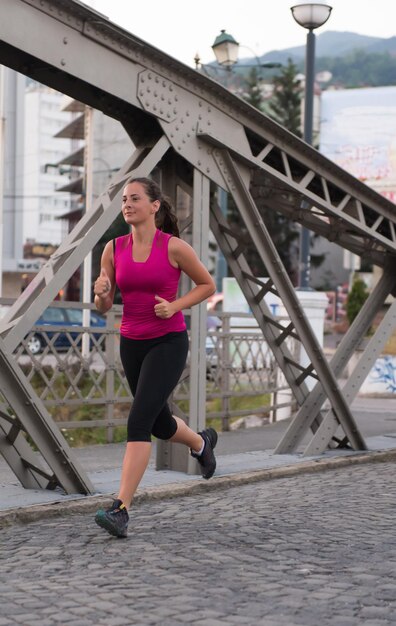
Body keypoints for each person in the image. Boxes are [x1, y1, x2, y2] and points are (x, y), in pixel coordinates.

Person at [93, 177, 217, 538]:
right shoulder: (112, 248)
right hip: (132, 344)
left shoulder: (174, 247)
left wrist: (175, 305)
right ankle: (201, 443)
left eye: (135, 199)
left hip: (168, 342)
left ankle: (120, 509)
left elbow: (206, 284)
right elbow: (104, 305)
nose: (127, 205)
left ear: (154, 206)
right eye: (124, 201)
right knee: (160, 424)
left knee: (138, 422)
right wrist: (101, 293)